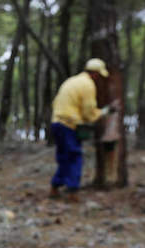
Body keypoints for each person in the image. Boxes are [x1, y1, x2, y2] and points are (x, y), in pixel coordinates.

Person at [49, 58, 118, 202]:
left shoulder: (71, 81)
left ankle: (55, 187)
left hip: (56, 122)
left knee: (64, 157)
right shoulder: (88, 85)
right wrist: (104, 111)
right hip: (69, 125)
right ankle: (72, 192)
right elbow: (88, 113)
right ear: (95, 74)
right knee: (75, 156)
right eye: (99, 77)